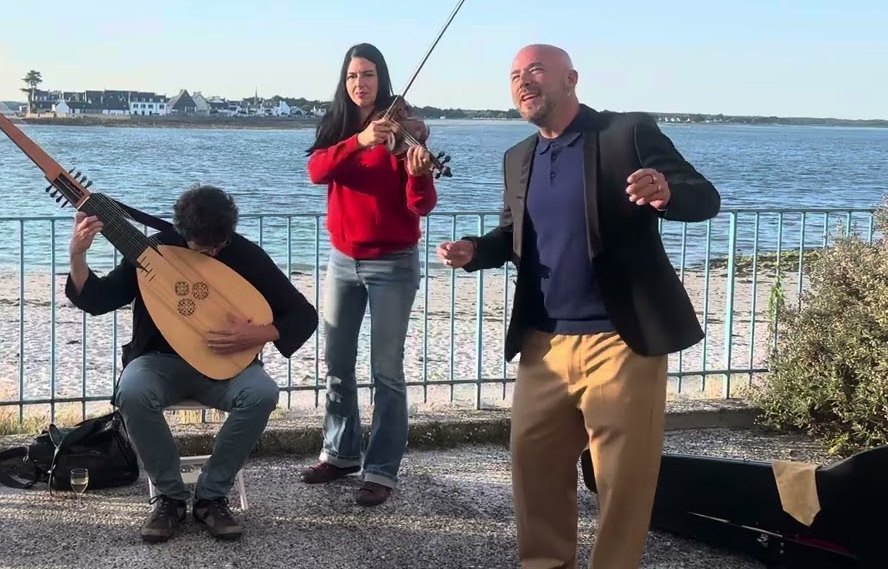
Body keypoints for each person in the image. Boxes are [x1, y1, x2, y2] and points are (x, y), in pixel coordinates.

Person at [437, 44, 721, 568]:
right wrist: (476, 251)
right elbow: (513, 234)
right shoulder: (517, 157)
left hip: (620, 339)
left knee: (622, 483)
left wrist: (665, 192)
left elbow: (702, 195)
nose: (525, 82)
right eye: (515, 75)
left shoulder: (625, 133)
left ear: (571, 78)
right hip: (542, 344)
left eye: (536, 70)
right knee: (534, 471)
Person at [65, 184, 318, 543]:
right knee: (133, 392)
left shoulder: (245, 255)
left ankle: (212, 497)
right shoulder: (153, 252)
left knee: (262, 393)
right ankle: (169, 498)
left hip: (227, 368)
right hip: (158, 362)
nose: (213, 252)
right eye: (203, 247)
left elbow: (303, 316)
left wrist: (260, 334)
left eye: (220, 245)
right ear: (183, 234)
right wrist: (78, 254)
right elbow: (97, 299)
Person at [298, 42, 437, 507]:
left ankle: (381, 470)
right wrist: (360, 140)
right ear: (345, 80)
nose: (361, 83)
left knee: (386, 371)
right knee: (337, 364)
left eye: (369, 75)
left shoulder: (406, 130)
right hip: (342, 261)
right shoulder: (337, 126)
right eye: (354, 75)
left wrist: (418, 174)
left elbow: (422, 205)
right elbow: (317, 170)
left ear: (383, 80)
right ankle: (341, 454)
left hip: (393, 263)